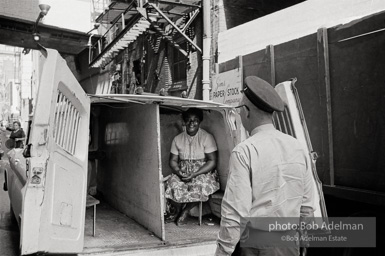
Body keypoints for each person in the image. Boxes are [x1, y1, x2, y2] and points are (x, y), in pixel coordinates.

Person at [215, 76, 316, 256]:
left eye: (239, 109)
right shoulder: (298, 147)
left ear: (246, 112)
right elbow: (307, 204)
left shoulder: (244, 151)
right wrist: (303, 239)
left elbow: (235, 213)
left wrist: (223, 251)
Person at [165, 108, 220, 226]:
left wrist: (195, 174)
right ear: (184, 121)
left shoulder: (207, 137)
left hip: (203, 171)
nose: (191, 123)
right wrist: (179, 172)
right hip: (183, 171)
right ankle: (177, 210)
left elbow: (212, 161)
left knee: (200, 186)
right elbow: (173, 161)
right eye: (188, 120)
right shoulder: (177, 139)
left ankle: (185, 211)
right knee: (171, 183)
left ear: (200, 121)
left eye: (195, 120)